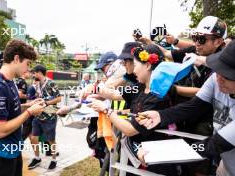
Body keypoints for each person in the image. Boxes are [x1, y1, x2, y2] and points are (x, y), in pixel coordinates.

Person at [137, 40, 235, 176]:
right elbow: (194, 106)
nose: (218, 78)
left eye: (226, 75)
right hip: (227, 166)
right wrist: (161, 115)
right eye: (217, 69)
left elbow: (213, 145)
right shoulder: (215, 80)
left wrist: (159, 153)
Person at [89, 44, 178, 175]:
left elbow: (130, 130)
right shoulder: (140, 87)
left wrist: (107, 110)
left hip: (151, 163)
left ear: (148, 65)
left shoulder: (158, 97)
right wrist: (93, 89)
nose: (133, 71)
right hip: (135, 157)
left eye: (135, 65)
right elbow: (114, 93)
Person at [0, 40, 46, 176]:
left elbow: (10, 110)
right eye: (27, 63)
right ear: (16, 58)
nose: (28, 69)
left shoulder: (9, 81)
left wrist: (28, 105)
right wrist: (29, 112)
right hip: (0, 154)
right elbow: (0, 130)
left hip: (13, 149)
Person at [28, 64, 61, 170]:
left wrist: (46, 102)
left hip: (50, 116)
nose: (33, 74)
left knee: (51, 139)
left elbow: (59, 98)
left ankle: (54, 159)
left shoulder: (51, 83)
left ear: (39, 72)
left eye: (34, 72)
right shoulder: (37, 84)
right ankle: (37, 158)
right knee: (34, 138)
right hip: (38, 115)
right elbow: (39, 96)